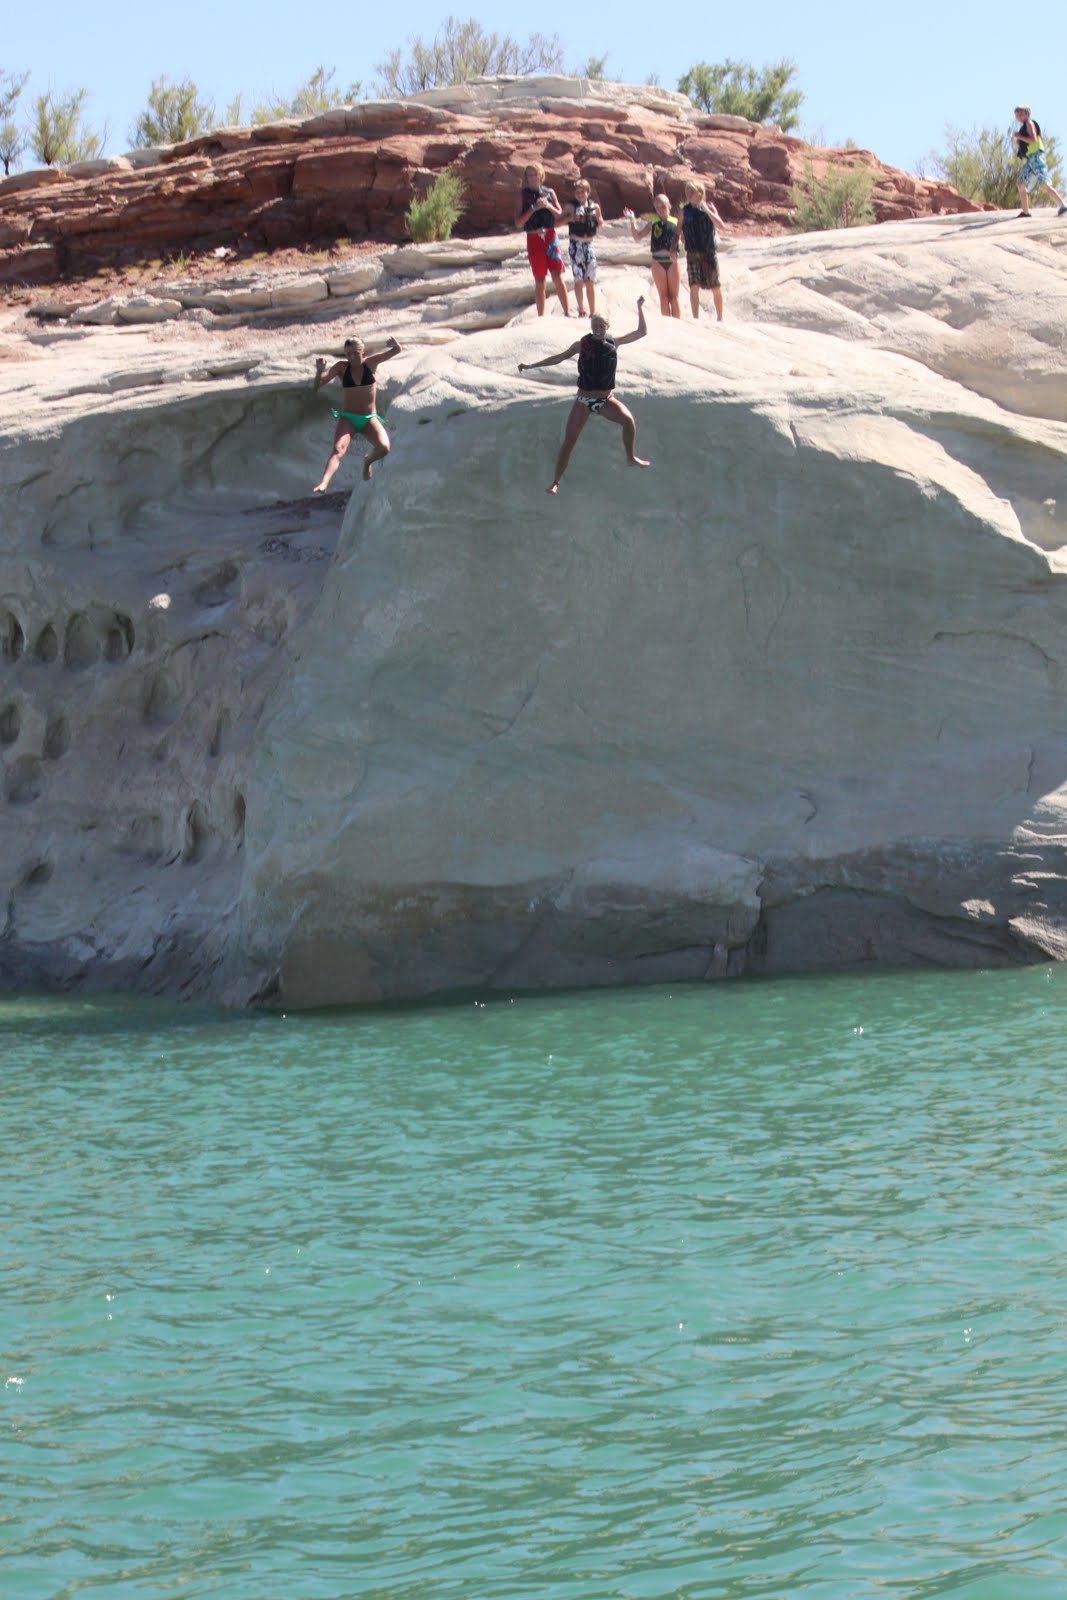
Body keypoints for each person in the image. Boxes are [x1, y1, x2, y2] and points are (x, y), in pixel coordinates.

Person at [517, 298, 650, 493]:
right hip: (583, 402)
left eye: (600, 326)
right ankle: (555, 482)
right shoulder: (581, 344)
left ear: (607, 327)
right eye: (594, 325)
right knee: (569, 442)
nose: (597, 328)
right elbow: (558, 358)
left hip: (605, 400)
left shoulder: (615, 342)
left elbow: (642, 332)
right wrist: (530, 366)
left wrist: (639, 307)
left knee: (628, 420)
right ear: (590, 325)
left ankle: (630, 458)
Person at [311, 335, 400, 492]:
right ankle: (324, 483)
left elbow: (396, 351)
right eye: (348, 354)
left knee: (384, 447)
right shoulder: (341, 367)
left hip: (369, 418)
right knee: (338, 449)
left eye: (355, 352)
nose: (352, 357)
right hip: (349, 418)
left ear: (363, 351)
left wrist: (395, 344)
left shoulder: (371, 363)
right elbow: (317, 386)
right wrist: (319, 372)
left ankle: (367, 462)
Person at [515, 162, 570, 317]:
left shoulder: (549, 192)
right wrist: (533, 208)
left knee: (558, 275)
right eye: (529, 175)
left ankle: (567, 312)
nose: (532, 178)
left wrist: (547, 206)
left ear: (541, 175)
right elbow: (518, 222)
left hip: (550, 237)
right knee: (540, 279)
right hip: (534, 238)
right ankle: (541, 317)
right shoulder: (522, 195)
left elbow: (559, 214)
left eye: (535, 174)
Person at [623, 193, 681, 317]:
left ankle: (678, 325)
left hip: (673, 262)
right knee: (664, 298)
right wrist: (632, 220)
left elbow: (687, 240)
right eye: (657, 207)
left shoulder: (676, 222)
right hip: (657, 262)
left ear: (669, 206)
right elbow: (637, 237)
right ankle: (668, 326)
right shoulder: (653, 222)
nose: (660, 209)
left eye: (663, 206)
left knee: (674, 298)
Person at [681, 180, 727, 321]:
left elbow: (721, 225)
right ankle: (696, 319)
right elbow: (680, 230)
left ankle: (720, 318)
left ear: (700, 193)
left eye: (692, 191)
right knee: (694, 287)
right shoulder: (685, 211)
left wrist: (707, 210)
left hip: (709, 252)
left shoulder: (710, 208)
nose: (689, 194)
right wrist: (682, 237)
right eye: (687, 191)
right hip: (693, 253)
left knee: (715, 286)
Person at [1013, 106, 1067, 217]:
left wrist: (1020, 137)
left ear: (1027, 114)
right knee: (1021, 183)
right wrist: (1021, 142)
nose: (1019, 117)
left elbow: (1033, 139)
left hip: (1036, 157)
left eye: (1021, 114)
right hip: (1030, 160)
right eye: (1017, 115)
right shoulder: (1024, 127)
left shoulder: (1029, 123)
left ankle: (1063, 206)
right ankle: (1025, 212)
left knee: (1043, 184)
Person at [563, 178, 604, 316]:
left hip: (590, 244)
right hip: (576, 244)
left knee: (590, 280)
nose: (580, 195)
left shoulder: (595, 207)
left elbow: (600, 223)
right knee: (579, 279)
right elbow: (557, 221)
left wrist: (598, 220)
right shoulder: (570, 207)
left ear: (588, 192)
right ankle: (581, 310)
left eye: (582, 192)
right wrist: (571, 218)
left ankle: (593, 311)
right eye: (577, 192)